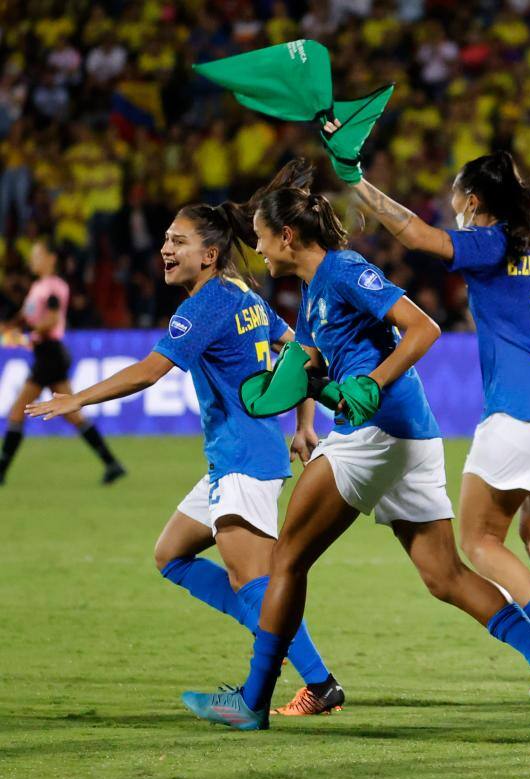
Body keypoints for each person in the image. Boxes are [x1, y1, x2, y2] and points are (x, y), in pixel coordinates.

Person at [178, 160, 530, 737]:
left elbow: (421, 328)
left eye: (263, 239)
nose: (259, 250)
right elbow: (314, 366)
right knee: (444, 574)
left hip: (376, 435)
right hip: (411, 433)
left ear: (288, 237)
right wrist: (298, 386)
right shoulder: (316, 293)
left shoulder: (344, 270)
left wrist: (370, 383)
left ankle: (253, 699)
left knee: (286, 561)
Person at [25, 192, 342, 716]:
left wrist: (77, 397)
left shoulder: (205, 306)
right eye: (167, 240)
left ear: (209, 254)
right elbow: (300, 353)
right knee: (170, 554)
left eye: (179, 242)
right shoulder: (243, 293)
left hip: (244, 460)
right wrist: (304, 425)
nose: (166, 250)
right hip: (237, 458)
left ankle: (317, 682)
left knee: (254, 582)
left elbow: (150, 371)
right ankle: (275, 634)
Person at [339, 143, 530, 676]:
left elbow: (414, 234)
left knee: (479, 540)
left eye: (457, 205)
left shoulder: (491, 242)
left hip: (522, 410)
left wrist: (358, 182)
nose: (455, 215)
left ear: (475, 202)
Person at [1, 240, 124, 486]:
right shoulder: (38, 287)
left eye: (37, 254)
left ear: (50, 259)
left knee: (18, 411)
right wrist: (10, 327)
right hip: (47, 354)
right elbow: (25, 316)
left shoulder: (54, 287)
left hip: (50, 355)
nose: (32, 260)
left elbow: (52, 320)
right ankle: (112, 463)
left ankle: (2, 470)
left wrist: (26, 332)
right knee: (73, 416)